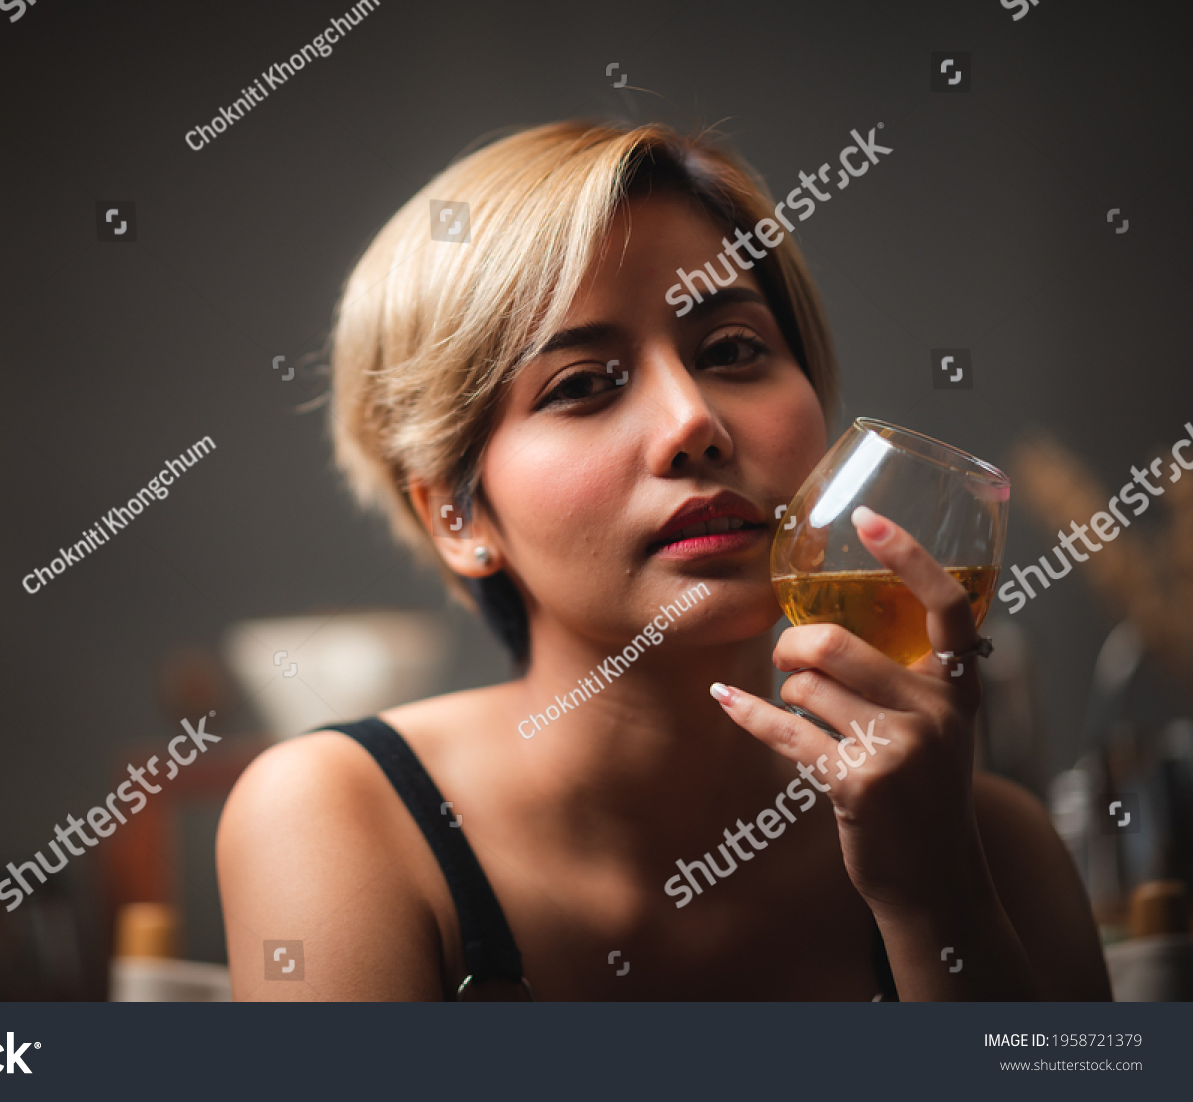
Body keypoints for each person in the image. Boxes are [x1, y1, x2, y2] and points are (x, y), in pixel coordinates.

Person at [216, 120, 1111, 1001]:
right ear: (456, 517)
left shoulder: (995, 849)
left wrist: (935, 899)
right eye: (582, 386)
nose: (693, 423)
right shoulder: (339, 817)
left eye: (732, 350)